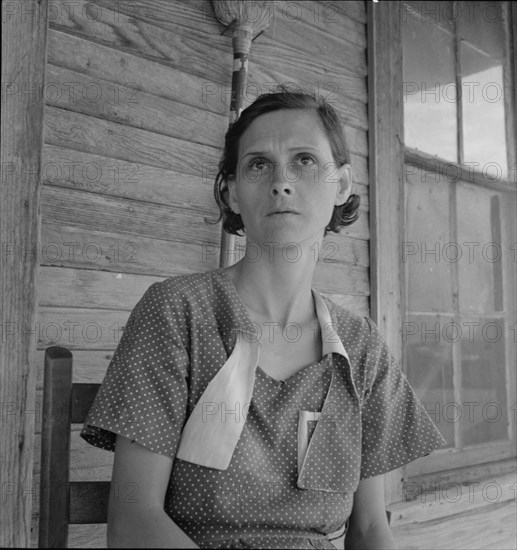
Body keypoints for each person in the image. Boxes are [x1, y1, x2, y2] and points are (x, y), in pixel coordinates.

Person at [81, 91, 445, 549]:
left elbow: (370, 528)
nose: (281, 182)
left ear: (342, 184)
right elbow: (135, 521)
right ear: (232, 192)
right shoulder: (178, 312)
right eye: (258, 164)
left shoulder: (361, 346)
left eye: (305, 160)